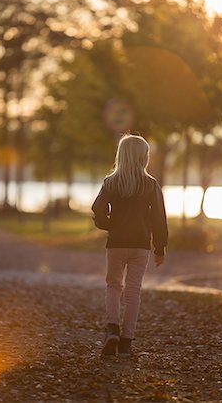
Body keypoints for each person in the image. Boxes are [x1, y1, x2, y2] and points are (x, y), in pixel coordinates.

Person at [91, 134, 168, 358]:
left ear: (121, 156)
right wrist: (160, 247)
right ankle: (126, 342)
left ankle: (112, 329)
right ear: (144, 158)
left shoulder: (111, 182)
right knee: (133, 291)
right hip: (141, 246)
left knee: (114, 286)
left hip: (116, 243)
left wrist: (108, 224)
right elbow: (159, 219)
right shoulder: (151, 185)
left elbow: (97, 208)